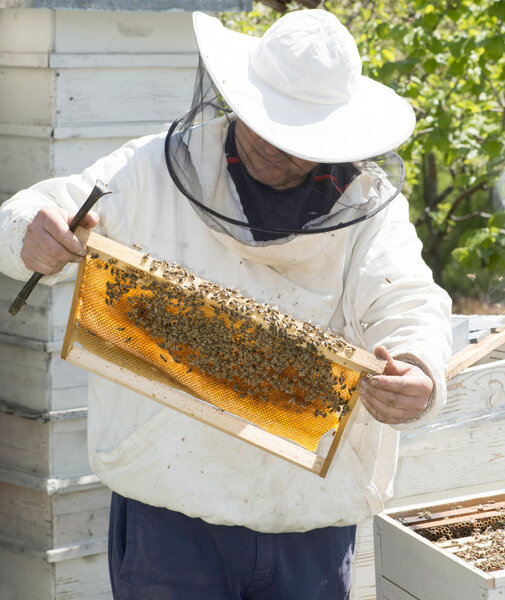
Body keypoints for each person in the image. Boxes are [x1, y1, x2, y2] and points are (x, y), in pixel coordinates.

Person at [0, 9, 452, 600]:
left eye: (291, 134)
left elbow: (407, 297)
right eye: (261, 119)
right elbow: (37, 209)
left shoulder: (370, 206)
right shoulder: (150, 169)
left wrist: (419, 369)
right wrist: (31, 231)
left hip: (307, 519)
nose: (268, 144)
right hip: (170, 511)